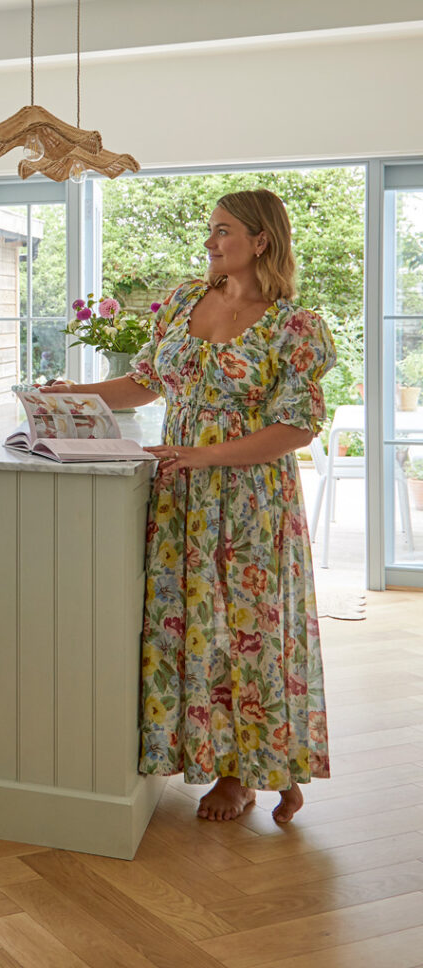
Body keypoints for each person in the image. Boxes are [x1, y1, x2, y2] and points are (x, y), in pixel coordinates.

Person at [42, 189, 335, 823]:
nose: (209, 242)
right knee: (193, 626)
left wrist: (201, 455)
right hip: (179, 498)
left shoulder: (295, 326)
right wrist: (75, 393)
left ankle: (251, 771)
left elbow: (298, 428)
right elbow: (146, 384)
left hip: (250, 499)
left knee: (248, 631)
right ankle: (226, 759)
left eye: (223, 231)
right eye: (210, 230)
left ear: (260, 240)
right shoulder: (180, 301)